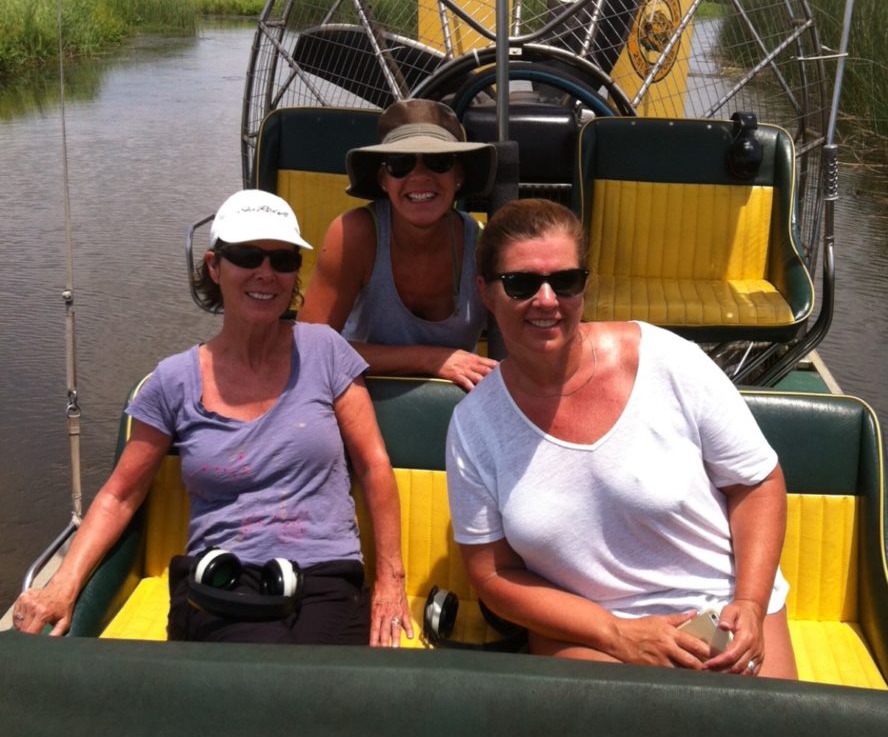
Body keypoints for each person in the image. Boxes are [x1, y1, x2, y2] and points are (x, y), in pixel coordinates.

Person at [12, 190, 413, 647]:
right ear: (214, 266)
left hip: (325, 575)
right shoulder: (173, 381)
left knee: (321, 687)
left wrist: (390, 580)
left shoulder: (325, 351)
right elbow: (120, 496)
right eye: (247, 256)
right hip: (219, 576)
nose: (266, 273)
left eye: (282, 260)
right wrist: (61, 586)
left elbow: (373, 465)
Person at [445, 198, 797, 679]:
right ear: (486, 292)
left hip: (721, 609)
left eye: (565, 281)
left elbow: (756, 483)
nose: (546, 299)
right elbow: (492, 574)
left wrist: (751, 603)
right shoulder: (474, 424)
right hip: (591, 630)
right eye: (522, 283)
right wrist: (616, 633)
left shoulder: (670, 362)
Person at [299, 99, 498, 392]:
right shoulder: (356, 233)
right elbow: (307, 349)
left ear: (459, 175)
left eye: (438, 162)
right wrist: (430, 359)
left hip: (453, 406)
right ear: (383, 179)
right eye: (400, 164)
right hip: (359, 395)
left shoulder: (485, 246)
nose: (419, 176)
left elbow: (524, 347)